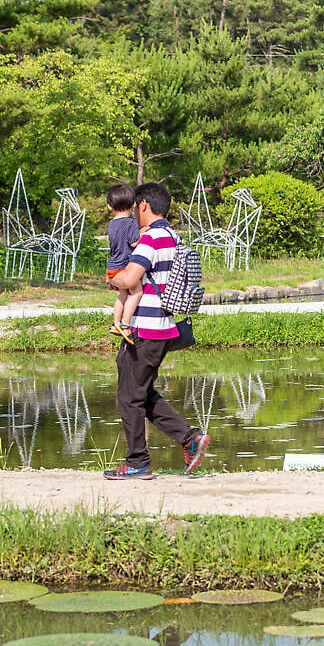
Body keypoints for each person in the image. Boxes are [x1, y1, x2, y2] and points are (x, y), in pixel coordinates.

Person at [104, 182, 210, 479]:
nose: (135, 212)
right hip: (163, 327)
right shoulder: (173, 236)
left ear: (144, 206)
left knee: (129, 396)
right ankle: (190, 439)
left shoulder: (152, 238)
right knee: (141, 392)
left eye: (137, 207)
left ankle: (138, 462)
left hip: (145, 329)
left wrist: (115, 280)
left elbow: (130, 278)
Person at [105, 184, 143, 345]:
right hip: (123, 268)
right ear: (134, 204)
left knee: (122, 295)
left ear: (109, 206)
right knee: (136, 293)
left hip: (112, 269)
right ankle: (126, 324)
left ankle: (115, 324)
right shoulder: (131, 222)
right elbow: (134, 243)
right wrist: (144, 234)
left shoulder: (111, 224)